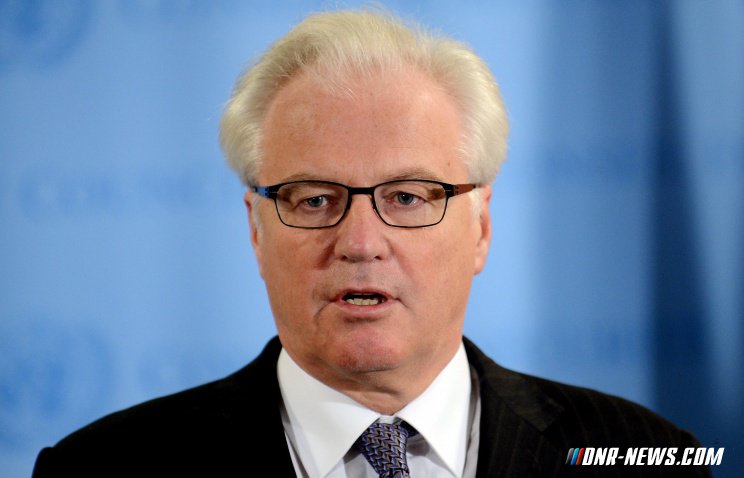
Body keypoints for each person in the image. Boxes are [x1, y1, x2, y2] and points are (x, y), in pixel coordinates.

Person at [32, 8, 711, 478]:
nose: (360, 243)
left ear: (480, 226)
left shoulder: (644, 454)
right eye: (314, 200)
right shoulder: (101, 468)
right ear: (256, 230)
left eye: (408, 197)